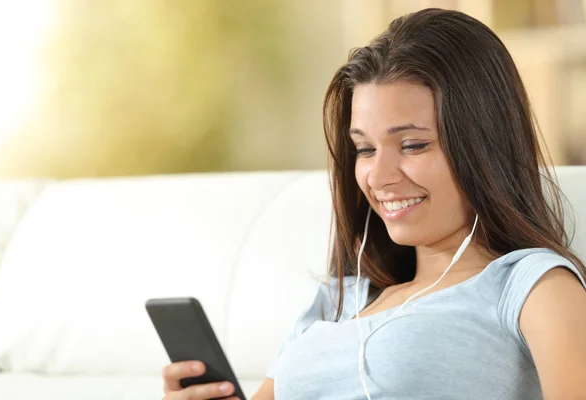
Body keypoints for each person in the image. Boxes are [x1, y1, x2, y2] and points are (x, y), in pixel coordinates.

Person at [161, 8, 586, 400]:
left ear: (484, 144)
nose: (378, 177)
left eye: (413, 144)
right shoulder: (339, 299)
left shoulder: (532, 287)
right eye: (364, 149)